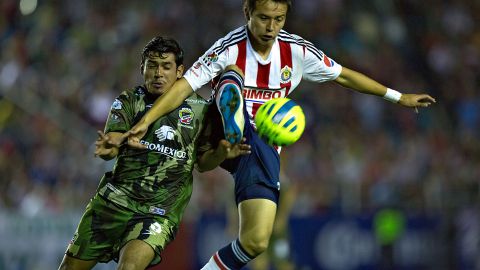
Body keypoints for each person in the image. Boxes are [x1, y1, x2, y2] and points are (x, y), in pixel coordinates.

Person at [123, 1, 436, 269]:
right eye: (263, 17)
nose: (271, 26)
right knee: (232, 75)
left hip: (256, 149)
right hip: (217, 127)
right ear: (247, 12)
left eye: (279, 19)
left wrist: (399, 97)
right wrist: (146, 119)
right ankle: (234, 117)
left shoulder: (297, 51)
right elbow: (184, 86)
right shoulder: (229, 47)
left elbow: (344, 75)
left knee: (255, 241)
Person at [58, 36, 250, 270]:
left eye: (166, 66)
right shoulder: (129, 101)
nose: (158, 73)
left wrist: (221, 152)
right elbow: (113, 144)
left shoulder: (200, 110)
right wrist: (110, 148)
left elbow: (202, 163)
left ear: (180, 71)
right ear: (143, 69)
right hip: (114, 203)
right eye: (152, 66)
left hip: (158, 212)